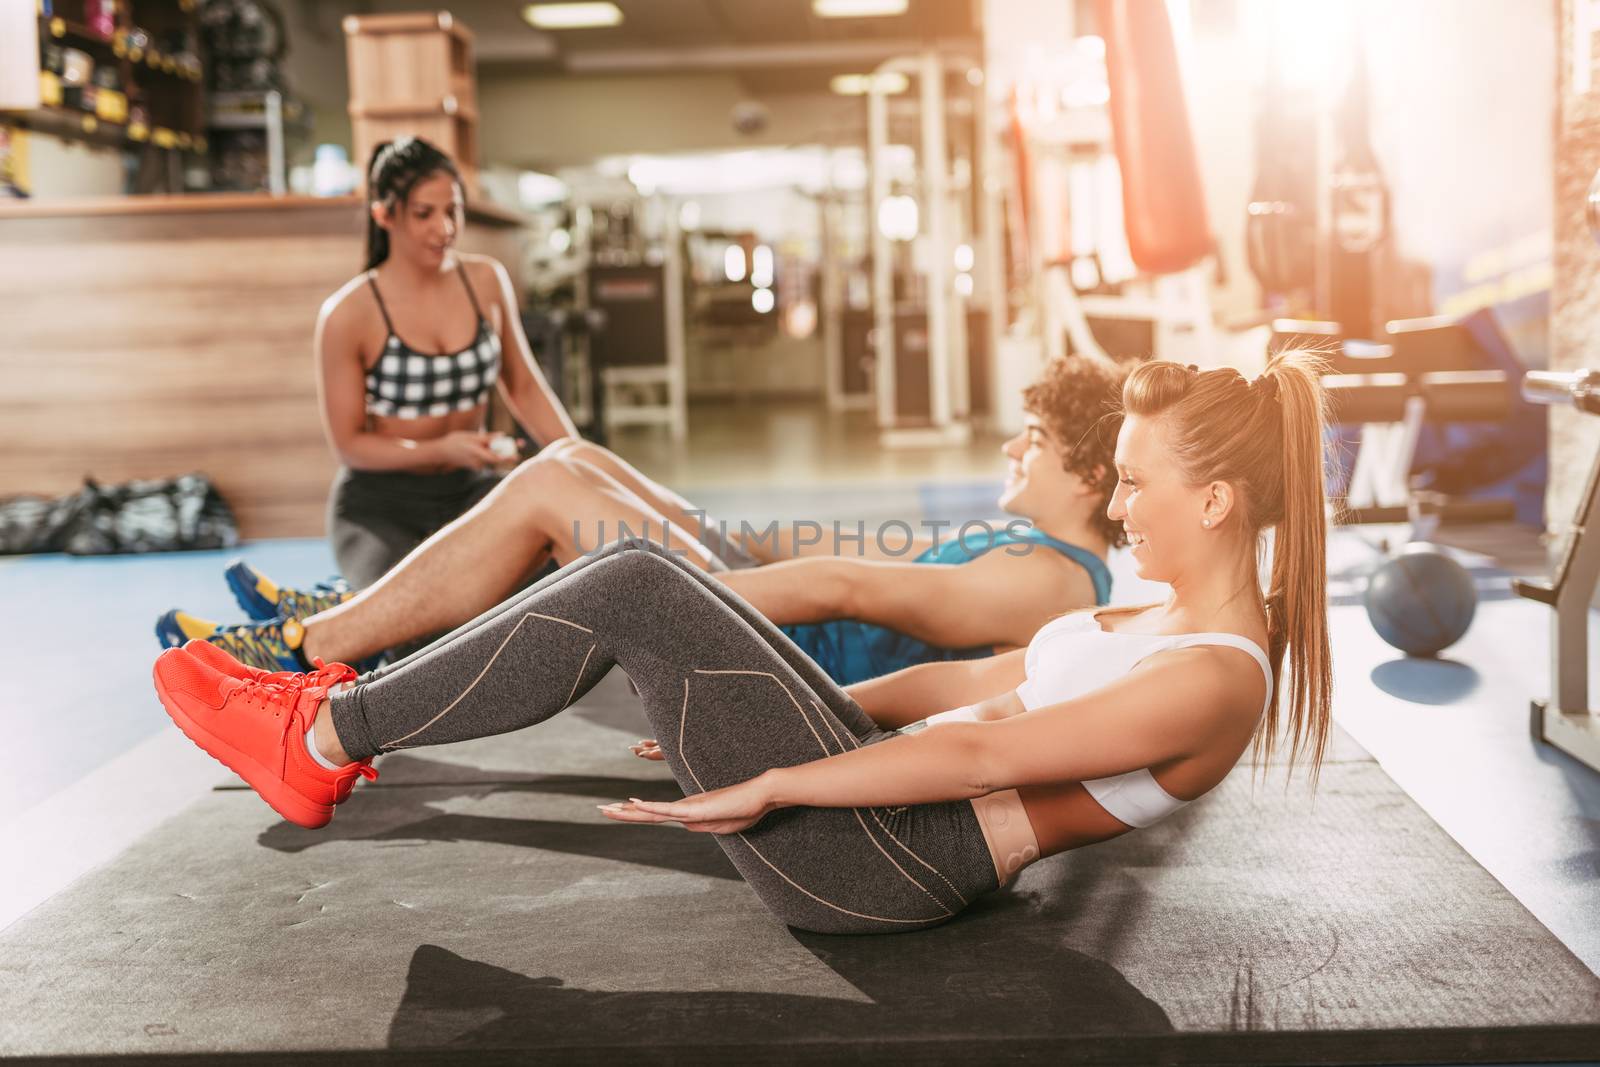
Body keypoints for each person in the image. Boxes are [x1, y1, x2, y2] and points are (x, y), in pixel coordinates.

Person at [152, 354, 1333, 936]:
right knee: (641, 578)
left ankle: (317, 729)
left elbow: (980, 761)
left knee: (630, 579)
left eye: (1134, 485)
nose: (1120, 508)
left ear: (1219, 500)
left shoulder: (1213, 679)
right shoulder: (1153, 619)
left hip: (889, 865)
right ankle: (329, 711)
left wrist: (775, 772)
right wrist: (789, 701)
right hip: (886, 819)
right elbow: (971, 685)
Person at [157, 358, 1127, 685]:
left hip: (782, 656)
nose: (1012, 446)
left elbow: (846, 586)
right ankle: (364, 613)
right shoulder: (1032, 551)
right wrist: (697, 526)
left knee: (551, 496)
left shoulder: (1050, 581)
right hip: (781, 615)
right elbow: (859, 555)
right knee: (573, 463)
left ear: (1089, 470)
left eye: (1034, 438)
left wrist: (660, 570)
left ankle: (309, 644)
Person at [159, 136, 576, 657]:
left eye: (453, 211)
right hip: (379, 505)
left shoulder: (485, 281)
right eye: (425, 213)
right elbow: (351, 445)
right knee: (423, 635)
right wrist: (442, 448)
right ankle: (297, 631)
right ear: (384, 214)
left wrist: (577, 462)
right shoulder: (348, 313)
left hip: (472, 495)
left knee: (547, 594)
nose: (443, 228)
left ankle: (327, 606)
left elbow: (523, 387)